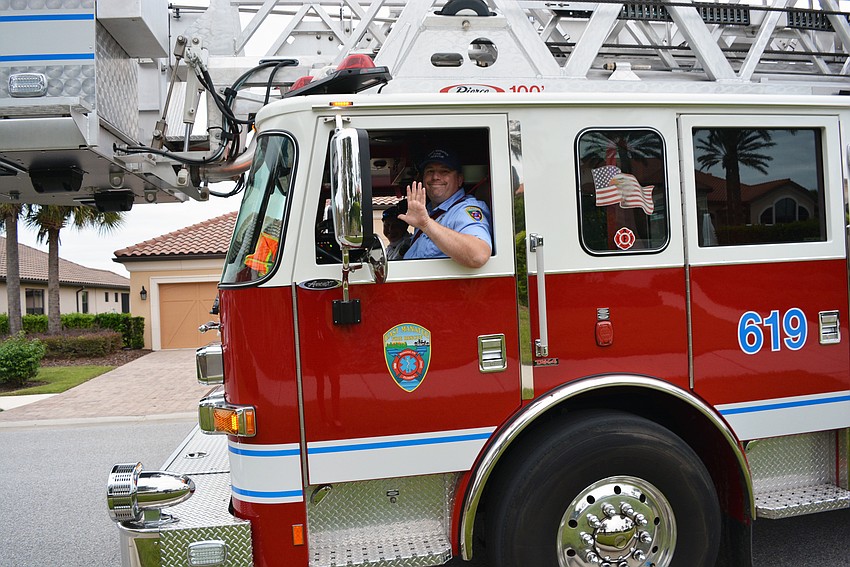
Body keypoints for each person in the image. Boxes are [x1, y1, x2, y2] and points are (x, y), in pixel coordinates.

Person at [399, 148, 492, 268]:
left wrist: (427, 225)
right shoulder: (427, 212)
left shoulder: (464, 210)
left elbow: (478, 256)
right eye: (430, 171)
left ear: (459, 180)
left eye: (444, 171)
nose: (435, 177)